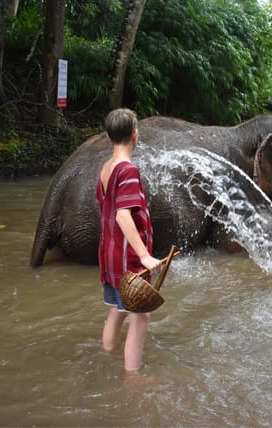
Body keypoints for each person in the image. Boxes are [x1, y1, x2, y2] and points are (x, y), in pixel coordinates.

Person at [96, 108, 161, 372]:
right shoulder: (129, 170)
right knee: (141, 317)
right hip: (128, 258)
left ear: (110, 137)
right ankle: (133, 380)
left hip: (110, 255)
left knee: (117, 309)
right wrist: (144, 255)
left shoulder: (105, 168)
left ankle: (107, 357)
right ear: (135, 136)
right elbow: (124, 215)